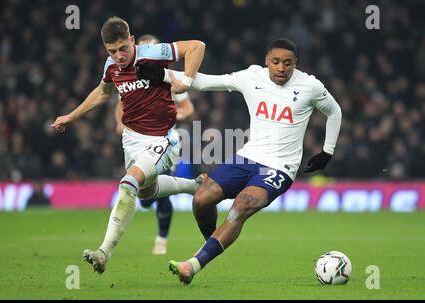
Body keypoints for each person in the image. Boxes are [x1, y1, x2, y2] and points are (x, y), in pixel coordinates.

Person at [137, 38, 342, 285]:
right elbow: (205, 81)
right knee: (201, 199)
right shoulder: (251, 76)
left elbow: (334, 111)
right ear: (266, 60)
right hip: (248, 156)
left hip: (280, 167)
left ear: (295, 64)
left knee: (241, 207)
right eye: (276, 62)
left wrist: (326, 152)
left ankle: (193, 265)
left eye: (287, 63)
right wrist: (162, 73)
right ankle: (213, 244)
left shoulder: (310, 85)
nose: (281, 68)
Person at [51, 17, 205, 274]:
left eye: (123, 48)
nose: (119, 55)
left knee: (129, 182)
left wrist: (185, 82)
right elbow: (103, 93)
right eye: (113, 51)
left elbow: (197, 46)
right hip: (132, 140)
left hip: (162, 139)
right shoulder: (111, 65)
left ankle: (103, 252)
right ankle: (194, 186)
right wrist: (70, 116)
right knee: (145, 192)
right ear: (106, 49)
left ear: (132, 40)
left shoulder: (152, 53)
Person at [114, 34, 195, 255]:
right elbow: (120, 105)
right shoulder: (130, 77)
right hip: (138, 139)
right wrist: (119, 123)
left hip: (164, 138)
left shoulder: (167, 77)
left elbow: (188, 108)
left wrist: (171, 114)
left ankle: (161, 239)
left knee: (161, 192)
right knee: (147, 197)